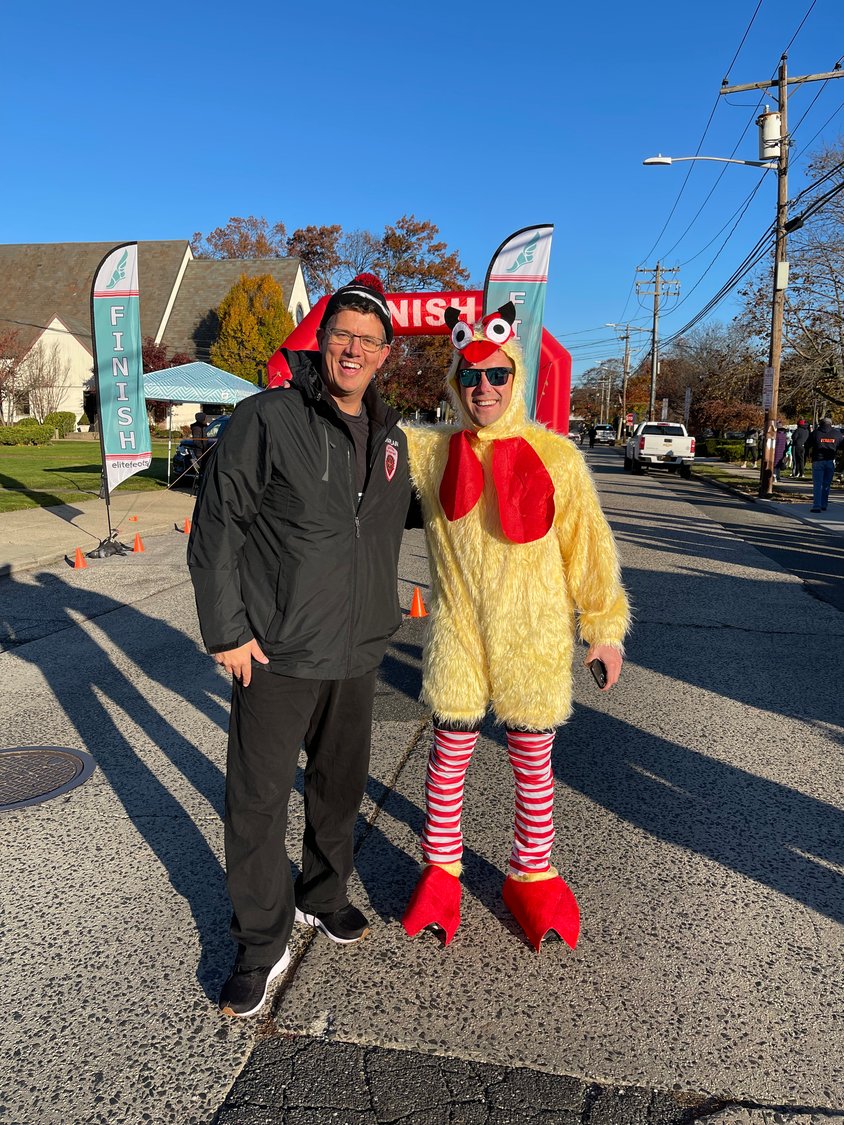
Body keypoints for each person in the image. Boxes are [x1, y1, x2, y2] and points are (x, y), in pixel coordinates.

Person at [188, 274, 410, 1018]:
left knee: (338, 789)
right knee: (255, 801)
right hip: (277, 649)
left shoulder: (393, 439)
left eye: (368, 340)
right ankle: (260, 942)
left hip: (356, 651)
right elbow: (218, 525)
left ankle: (322, 894)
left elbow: (392, 526)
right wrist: (228, 629)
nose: (353, 349)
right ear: (322, 341)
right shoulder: (266, 418)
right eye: (341, 334)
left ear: (386, 354)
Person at [401, 301, 630, 953]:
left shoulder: (557, 456)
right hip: (461, 634)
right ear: (454, 382)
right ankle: (441, 870)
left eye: (497, 375)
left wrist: (605, 627)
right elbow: (358, 434)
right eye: (470, 376)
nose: (484, 388)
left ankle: (531, 872)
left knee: (533, 760)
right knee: (450, 752)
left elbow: (587, 547)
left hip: (535, 635)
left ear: (516, 378)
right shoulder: (429, 451)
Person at [806, 416, 843, 512]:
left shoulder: (816, 433)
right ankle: (824, 504)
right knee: (826, 484)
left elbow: (807, 444)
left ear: (821, 424)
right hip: (830, 461)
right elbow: (842, 446)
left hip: (818, 461)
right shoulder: (837, 434)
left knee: (818, 484)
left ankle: (817, 505)